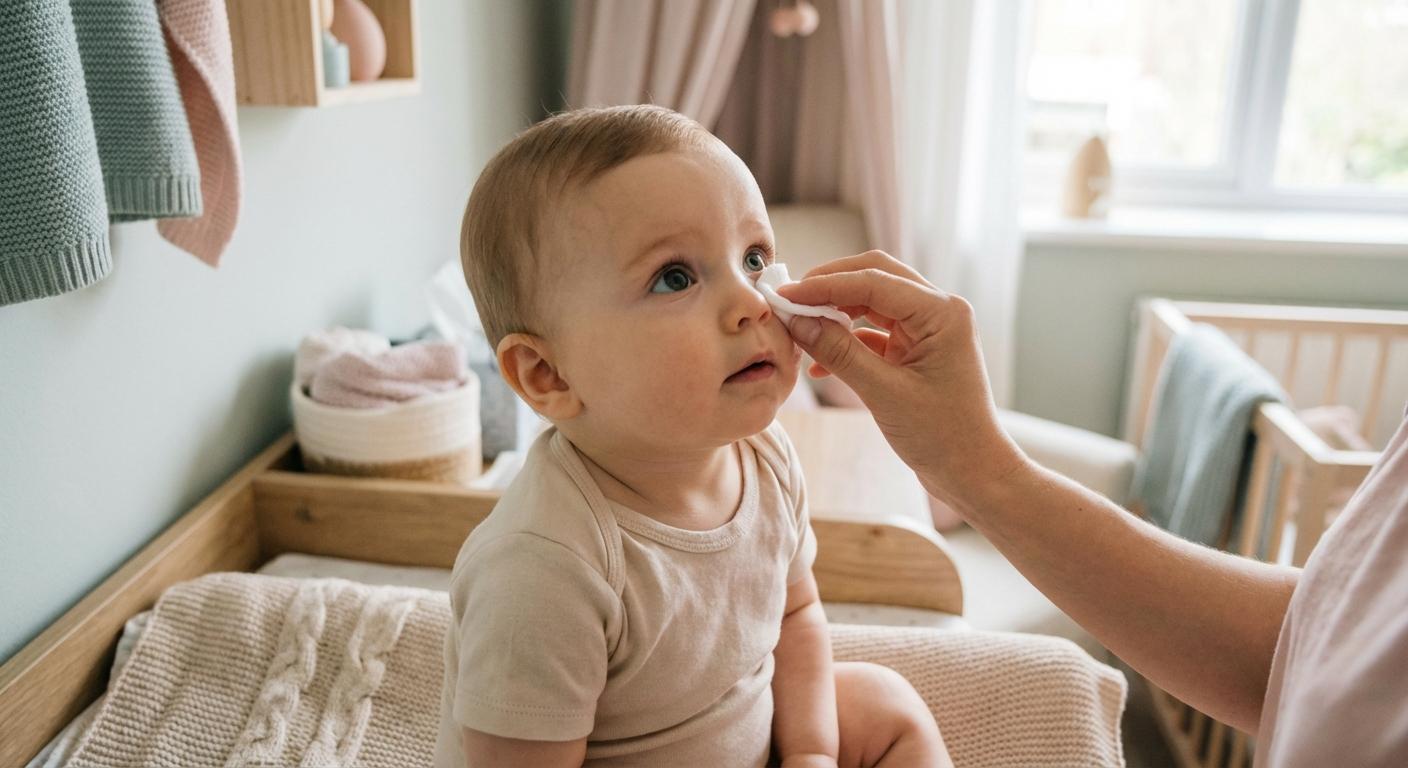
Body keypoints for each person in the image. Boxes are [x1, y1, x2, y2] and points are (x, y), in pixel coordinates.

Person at [434, 105, 950, 768]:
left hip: (744, 737)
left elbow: (794, 620)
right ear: (547, 374)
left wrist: (813, 755)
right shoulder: (546, 565)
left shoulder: (767, 459)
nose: (755, 301)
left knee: (884, 704)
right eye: (675, 277)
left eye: (755, 257)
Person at [777, 251, 1408, 768]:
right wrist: (975, 468)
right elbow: (1325, 638)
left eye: (756, 257)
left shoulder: (775, 482)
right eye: (677, 276)